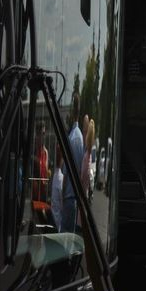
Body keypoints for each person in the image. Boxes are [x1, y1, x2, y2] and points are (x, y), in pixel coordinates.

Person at [62, 93, 84, 234]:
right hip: (71, 198)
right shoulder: (76, 135)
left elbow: (68, 171)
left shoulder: (74, 138)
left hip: (70, 198)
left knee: (65, 239)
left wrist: (63, 193)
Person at [51, 150, 65, 230]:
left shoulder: (54, 175)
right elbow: (62, 201)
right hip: (58, 218)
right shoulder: (60, 178)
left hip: (53, 213)